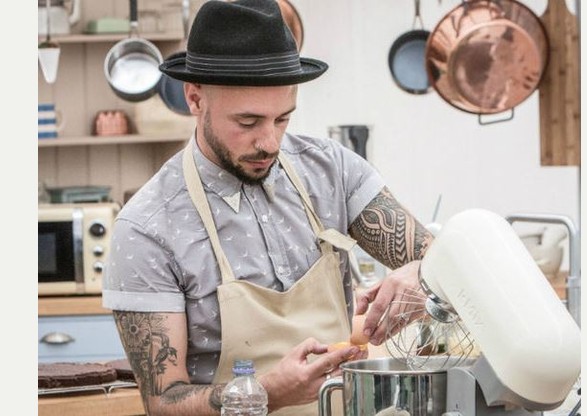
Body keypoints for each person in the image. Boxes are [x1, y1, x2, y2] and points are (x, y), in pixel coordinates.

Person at [102, 0, 434, 415]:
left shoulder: (331, 170)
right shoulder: (148, 228)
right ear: (194, 98)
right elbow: (162, 402)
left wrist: (422, 275)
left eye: (283, 119)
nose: (270, 143)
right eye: (247, 122)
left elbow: (437, 258)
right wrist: (265, 392)